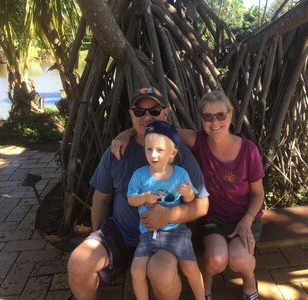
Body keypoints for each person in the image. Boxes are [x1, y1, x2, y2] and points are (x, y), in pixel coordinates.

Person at [112, 90, 265, 300]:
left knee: (240, 259)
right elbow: (157, 131)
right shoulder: (196, 140)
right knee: (216, 259)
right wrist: (127, 133)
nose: (215, 122)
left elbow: (258, 193)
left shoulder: (249, 150)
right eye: (208, 117)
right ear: (201, 120)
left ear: (230, 115)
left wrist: (247, 220)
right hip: (214, 220)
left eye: (221, 115)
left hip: (244, 218)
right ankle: (206, 289)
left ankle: (249, 280)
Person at [67, 87, 209, 300]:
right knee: (79, 262)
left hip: (164, 235)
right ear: (131, 114)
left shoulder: (179, 156)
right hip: (120, 233)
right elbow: (101, 199)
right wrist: (102, 239)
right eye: (140, 112)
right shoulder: (117, 151)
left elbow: (201, 204)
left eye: (154, 110)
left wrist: (170, 216)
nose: (147, 117)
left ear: (165, 113)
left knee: (162, 273)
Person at [128, 120, 204, 300]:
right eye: (149, 149)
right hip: (148, 233)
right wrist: (144, 197)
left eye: (160, 150)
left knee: (190, 267)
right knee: (137, 271)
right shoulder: (139, 175)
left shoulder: (181, 174)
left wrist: (187, 194)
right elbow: (131, 199)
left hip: (176, 231)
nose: (153, 154)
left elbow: (191, 199)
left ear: (172, 153)